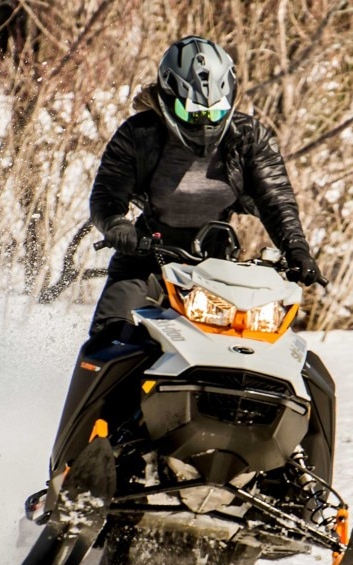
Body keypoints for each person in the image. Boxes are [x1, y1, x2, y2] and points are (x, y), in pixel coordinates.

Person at [85, 34, 321, 338]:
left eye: (215, 112)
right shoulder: (138, 134)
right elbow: (107, 194)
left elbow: (277, 201)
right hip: (145, 261)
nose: (205, 123)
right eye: (192, 113)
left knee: (264, 346)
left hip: (218, 269)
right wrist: (116, 224)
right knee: (109, 339)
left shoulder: (250, 138)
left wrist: (297, 249)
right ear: (169, 98)